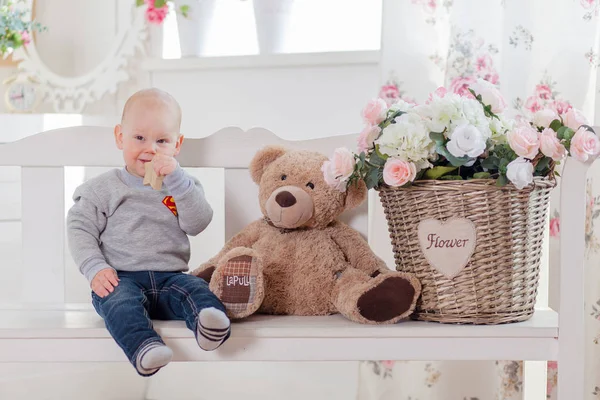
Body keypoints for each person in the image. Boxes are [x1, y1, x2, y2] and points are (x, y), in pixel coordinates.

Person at [67, 88, 230, 376]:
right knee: (117, 303)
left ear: (177, 145)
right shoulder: (103, 188)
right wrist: (95, 268)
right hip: (121, 278)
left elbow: (198, 223)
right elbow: (80, 227)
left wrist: (177, 180)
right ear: (120, 137)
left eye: (162, 140)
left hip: (171, 278)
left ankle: (208, 325)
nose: (150, 148)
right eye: (139, 138)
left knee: (197, 289)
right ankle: (144, 346)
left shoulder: (182, 185)